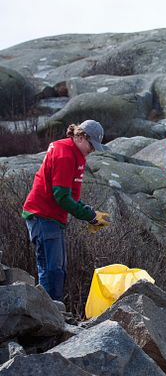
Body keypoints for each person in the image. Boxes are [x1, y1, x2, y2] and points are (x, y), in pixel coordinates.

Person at [22, 120, 112, 302]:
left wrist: (89, 212)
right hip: (42, 215)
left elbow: (70, 196)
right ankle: (51, 312)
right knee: (51, 268)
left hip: (52, 217)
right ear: (79, 137)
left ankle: (53, 310)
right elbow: (61, 196)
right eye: (91, 145)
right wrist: (89, 216)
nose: (92, 150)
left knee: (57, 268)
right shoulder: (65, 156)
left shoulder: (75, 154)